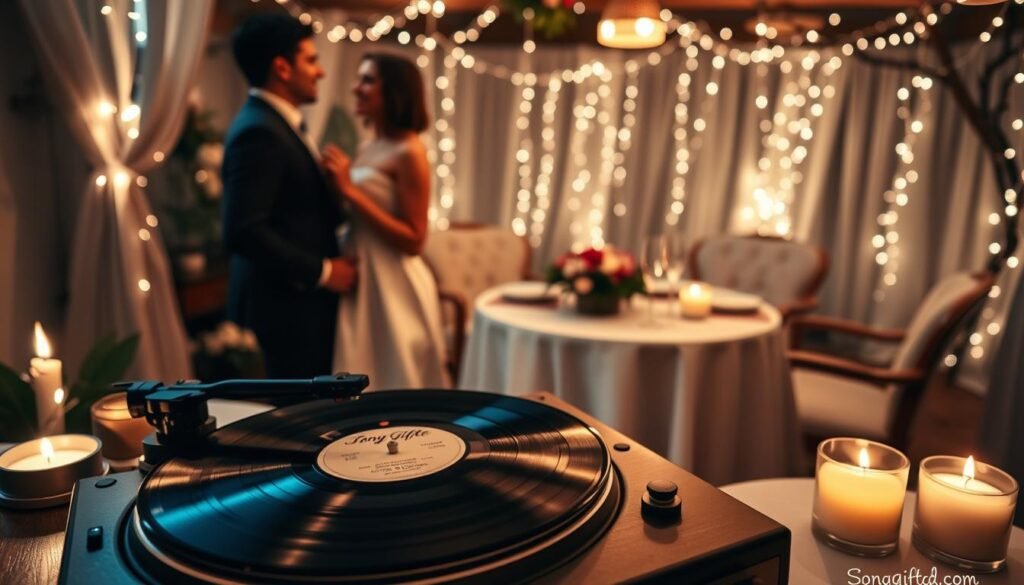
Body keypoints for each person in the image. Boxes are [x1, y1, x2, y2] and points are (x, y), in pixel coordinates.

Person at [222, 14, 356, 378]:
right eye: (311, 60)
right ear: (281, 68)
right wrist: (324, 272)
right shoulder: (259, 132)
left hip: (296, 306)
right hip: (284, 310)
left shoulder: (277, 123)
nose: (321, 72)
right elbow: (243, 230)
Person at [322, 53, 450, 390]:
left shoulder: (410, 152)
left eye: (367, 80)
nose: (355, 88)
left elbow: (414, 238)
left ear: (394, 91)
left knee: (398, 379)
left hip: (395, 285)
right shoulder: (368, 146)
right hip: (363, 278)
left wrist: (351, 190)